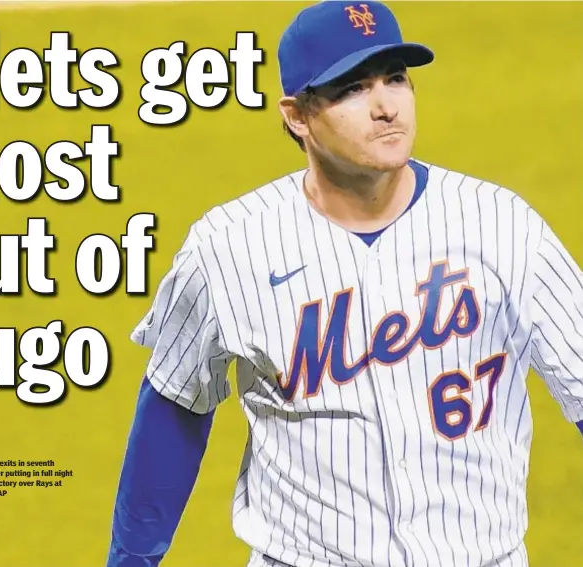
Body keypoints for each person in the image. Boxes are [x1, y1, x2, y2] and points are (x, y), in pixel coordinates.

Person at [106, 2, 583, 566]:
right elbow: (174, 410)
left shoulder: (504, 226)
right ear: (297, 116)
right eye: (353, 88)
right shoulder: (227, 248)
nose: (386, 107)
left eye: (397, 79)